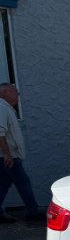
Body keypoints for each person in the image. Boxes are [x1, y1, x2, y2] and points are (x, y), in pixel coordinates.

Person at [0, 83, 41, 223]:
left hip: (7, 156)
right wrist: (7, 154)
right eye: (15, 91)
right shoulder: (1, 108)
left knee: (3, 184)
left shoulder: (7, 108)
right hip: (8, 156)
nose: (18, 94)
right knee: (24, 183)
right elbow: (0, 133)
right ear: (5, 91)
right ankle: (32, 212)